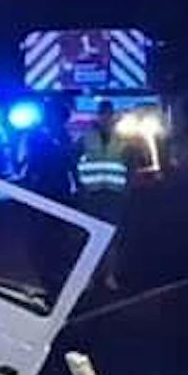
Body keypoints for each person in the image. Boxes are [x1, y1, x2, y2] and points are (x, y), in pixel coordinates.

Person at [74, 98, 132, 290]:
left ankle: (109, 275)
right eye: (103, 114)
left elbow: (130, 166)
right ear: (98, 116)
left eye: (108, 114)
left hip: (113, 195)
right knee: (89, 239)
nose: (106, 118)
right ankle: (88, 277)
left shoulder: (123, 139)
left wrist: (126, 190)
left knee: (111, 238)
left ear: (112, 116)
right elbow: (72, 161)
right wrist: (80, 186)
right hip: (91, 194)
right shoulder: (86, 138)